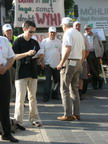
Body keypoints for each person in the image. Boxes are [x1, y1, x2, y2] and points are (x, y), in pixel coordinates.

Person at [13, 20, 42, 127]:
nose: (32, 34)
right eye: (30, 32)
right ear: (24, 29)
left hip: (32, 71)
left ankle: (34, 119)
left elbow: (39, 53)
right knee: (20, 98)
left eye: (33, 32)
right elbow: (13, 57)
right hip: (20, 72)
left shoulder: (34, 42)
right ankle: (18, 120)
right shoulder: (18, 41)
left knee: (32, 97)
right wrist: (27, 54)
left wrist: (39, 56)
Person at [57, 17, 85, 121]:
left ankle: (68, 114)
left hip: (70, 62)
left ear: (64, 25)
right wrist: (80, 62)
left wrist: (61, 63)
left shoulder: (68, 33)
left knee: (64, 89)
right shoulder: (78, 33)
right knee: (74, 89)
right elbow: (83, 50)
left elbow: (68, 48)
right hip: (78, 62)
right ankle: (76, 114)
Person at [0, 36, 19, 142]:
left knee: (4, 105)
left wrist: (5, 68)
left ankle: (6, 133)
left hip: (4, 74)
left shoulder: (4, 40)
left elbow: (11, 58)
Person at [40, 26, 62, 102]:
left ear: (56, 33)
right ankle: (46, 96)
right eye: (51, 32)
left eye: (53, 32)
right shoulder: (44, 42)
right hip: (47, 64)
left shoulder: (59, 42)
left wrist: (61, 63)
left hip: (57, 65)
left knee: (56, 80)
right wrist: (42, 62)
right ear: (48, 33)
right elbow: (41, 53)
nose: (52, 34)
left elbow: (61, 53)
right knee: (47, 81)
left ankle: (55, 94)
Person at [84, 24, 104, 89]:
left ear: (91, 29)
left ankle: (95, 84)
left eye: (88, 28)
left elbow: (101, 45)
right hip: (88, 53)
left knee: (96, 69)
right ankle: (100, 79)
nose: (87, 30)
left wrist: (101, 53)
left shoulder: (95, 35)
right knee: (92, 69)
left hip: (96, 53)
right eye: (86, 29)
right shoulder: (83, 36)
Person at [73, 21, 90, 100]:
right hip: (72, 60)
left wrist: (83, 59)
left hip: (82, 61)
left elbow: (87, 50)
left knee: (81, 77)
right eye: (76, 26)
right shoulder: (70, 35)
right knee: (73, 76)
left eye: (79, 26)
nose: (77, 27)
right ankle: (73, 92)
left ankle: (80, 93)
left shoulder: (84, 37)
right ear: (73, 27)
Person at [2, 23, 17, 100]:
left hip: (16, 64)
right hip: (7, 65)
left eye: (10, 30)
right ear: (4, 32)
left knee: (17, 82)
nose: (9, 32)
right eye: (7, 31)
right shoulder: (3, 41)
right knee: (9, 82)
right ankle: (11, 98)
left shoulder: (17, 38)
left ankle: (18, 98)